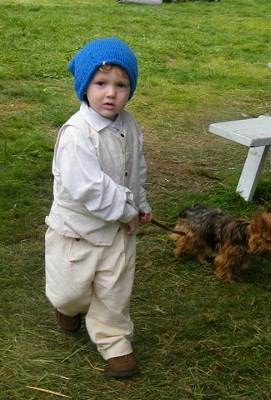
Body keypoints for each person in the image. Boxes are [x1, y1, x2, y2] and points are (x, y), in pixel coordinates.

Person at [45, 37, 153, 379]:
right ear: (84, 87)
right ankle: (69, 308)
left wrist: (141, 203)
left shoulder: (130, 125)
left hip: (119, 234)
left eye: (121, 85)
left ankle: (115, 343)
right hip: (77, 234)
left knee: (114, 292)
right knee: (70, 291)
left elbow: (136, 169)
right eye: (101, 83)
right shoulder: (77, 134)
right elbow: (90, 188)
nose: (111, 93)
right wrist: (126, 210)